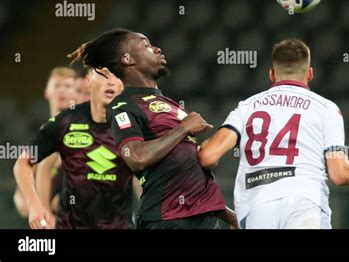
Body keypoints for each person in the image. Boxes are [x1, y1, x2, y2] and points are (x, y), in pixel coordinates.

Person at [198, 38, 349, 229]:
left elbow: (208, 156)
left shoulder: (247, 107)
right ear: (309, 73)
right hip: (305, 203)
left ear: (272, 74)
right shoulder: (326, 109)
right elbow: (340, 174)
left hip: (257, 208)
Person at [68, 28, 237, 229]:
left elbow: (187, 174)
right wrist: (182, 129)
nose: (156, 49)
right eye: (146, 45)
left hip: (203, 219)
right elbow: (137, 158)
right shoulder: (123, 106)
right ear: (128, 59)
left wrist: (230, 217)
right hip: (166, 220)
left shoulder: (170, 105)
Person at [14, 67, 135, 229]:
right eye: (103, 75)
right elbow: (35, 166)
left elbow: (140, 173)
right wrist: (40, 207)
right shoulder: (64, 124)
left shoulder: (132, 124)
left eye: (116, 76)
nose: (110, 82)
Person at [13, 66, 77, 219]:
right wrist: (40, 211)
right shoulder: (41, 138)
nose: (62, 90)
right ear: (47, 92)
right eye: (56, 85)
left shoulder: (86, 133)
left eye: (68, 86)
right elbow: (20, 198)